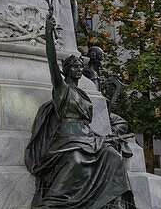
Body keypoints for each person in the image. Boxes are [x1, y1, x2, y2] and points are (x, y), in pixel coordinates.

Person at [25, 12, 135, 208]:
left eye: (80, 66)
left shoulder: (83, 93)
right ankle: (54, 202)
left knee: (114, 156)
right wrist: (49, 34)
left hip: (88, 139)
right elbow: (51, 62)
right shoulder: (62, 89)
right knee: (76, 161)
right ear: (66, 70)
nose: (78, 69)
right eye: (74, 66)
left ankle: (115, 203)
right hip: (68, 140)